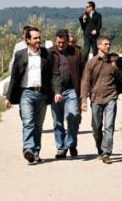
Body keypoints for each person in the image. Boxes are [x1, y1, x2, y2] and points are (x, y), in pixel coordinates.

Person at [5, 27, 62, 164]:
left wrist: (57, 92)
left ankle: (35, 153)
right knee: (28, 122)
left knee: (38, 125)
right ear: (27, 40)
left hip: (42, 94)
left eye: (39, 38)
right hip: (26, 93)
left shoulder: (47, 54)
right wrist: (8, 97)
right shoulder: (20, 55)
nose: (38, 40)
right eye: (35, 38)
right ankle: (28, 149)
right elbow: (14, 77)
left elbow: (55, 74)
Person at [80, 36, 122, 164]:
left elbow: (121, 78)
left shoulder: (115, 60)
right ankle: (100, 149)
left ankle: (106, 153)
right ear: (99, 46)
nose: (108, 46)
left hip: (111, 97)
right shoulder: (92, 62)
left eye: (109, 44)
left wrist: (116, 67)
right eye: (105, 44)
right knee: (96, 127)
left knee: (109, 126)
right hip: (95, 98)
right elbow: (85, 81)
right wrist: (83, 100)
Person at [50, 29, 83, 159]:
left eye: (63, 42)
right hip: (55, 91)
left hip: (71, 90)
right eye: (58, 42)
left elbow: (84, 70)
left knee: (73, 115)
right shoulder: (49, 53)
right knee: (57, 121)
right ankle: (61, 148)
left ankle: (71, 143)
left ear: (67, 41)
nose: (60, 45)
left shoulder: (76, 52)